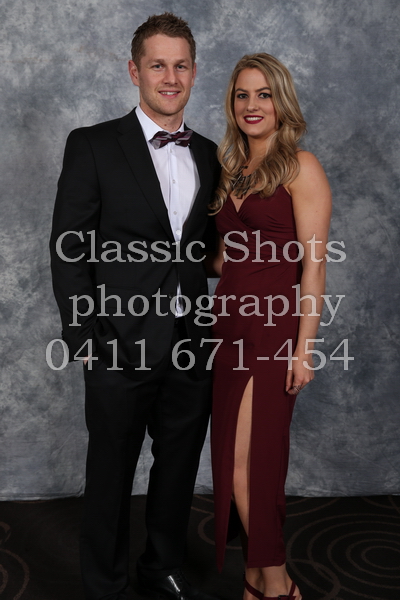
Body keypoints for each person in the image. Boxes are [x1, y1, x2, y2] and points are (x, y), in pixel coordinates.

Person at [49, 13, 220, 600]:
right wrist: (84, 338)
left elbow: (203, 252)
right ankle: (106, 584)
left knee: (178, 468)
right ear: (134, 71)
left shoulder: (210, 154)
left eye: (180, 65)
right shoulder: (93, 144)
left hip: (191, 342)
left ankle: (161, 566)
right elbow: (69, 248)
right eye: (157, 65)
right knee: (111, 473)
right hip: (115, 344)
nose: (170, 77)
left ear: (194, 72)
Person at [209, 53, 332, 600]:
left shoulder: (301, 167)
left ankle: (277, 582)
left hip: (273, 329)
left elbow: (315, 267)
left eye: (263, 94)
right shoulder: (231, 170)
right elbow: (226, 259)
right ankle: (256, 577)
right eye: (242, 95)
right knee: (230, 461)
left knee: (254, 463)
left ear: (281, 102)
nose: (252, 105)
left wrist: (304, 350)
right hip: (228, 327)